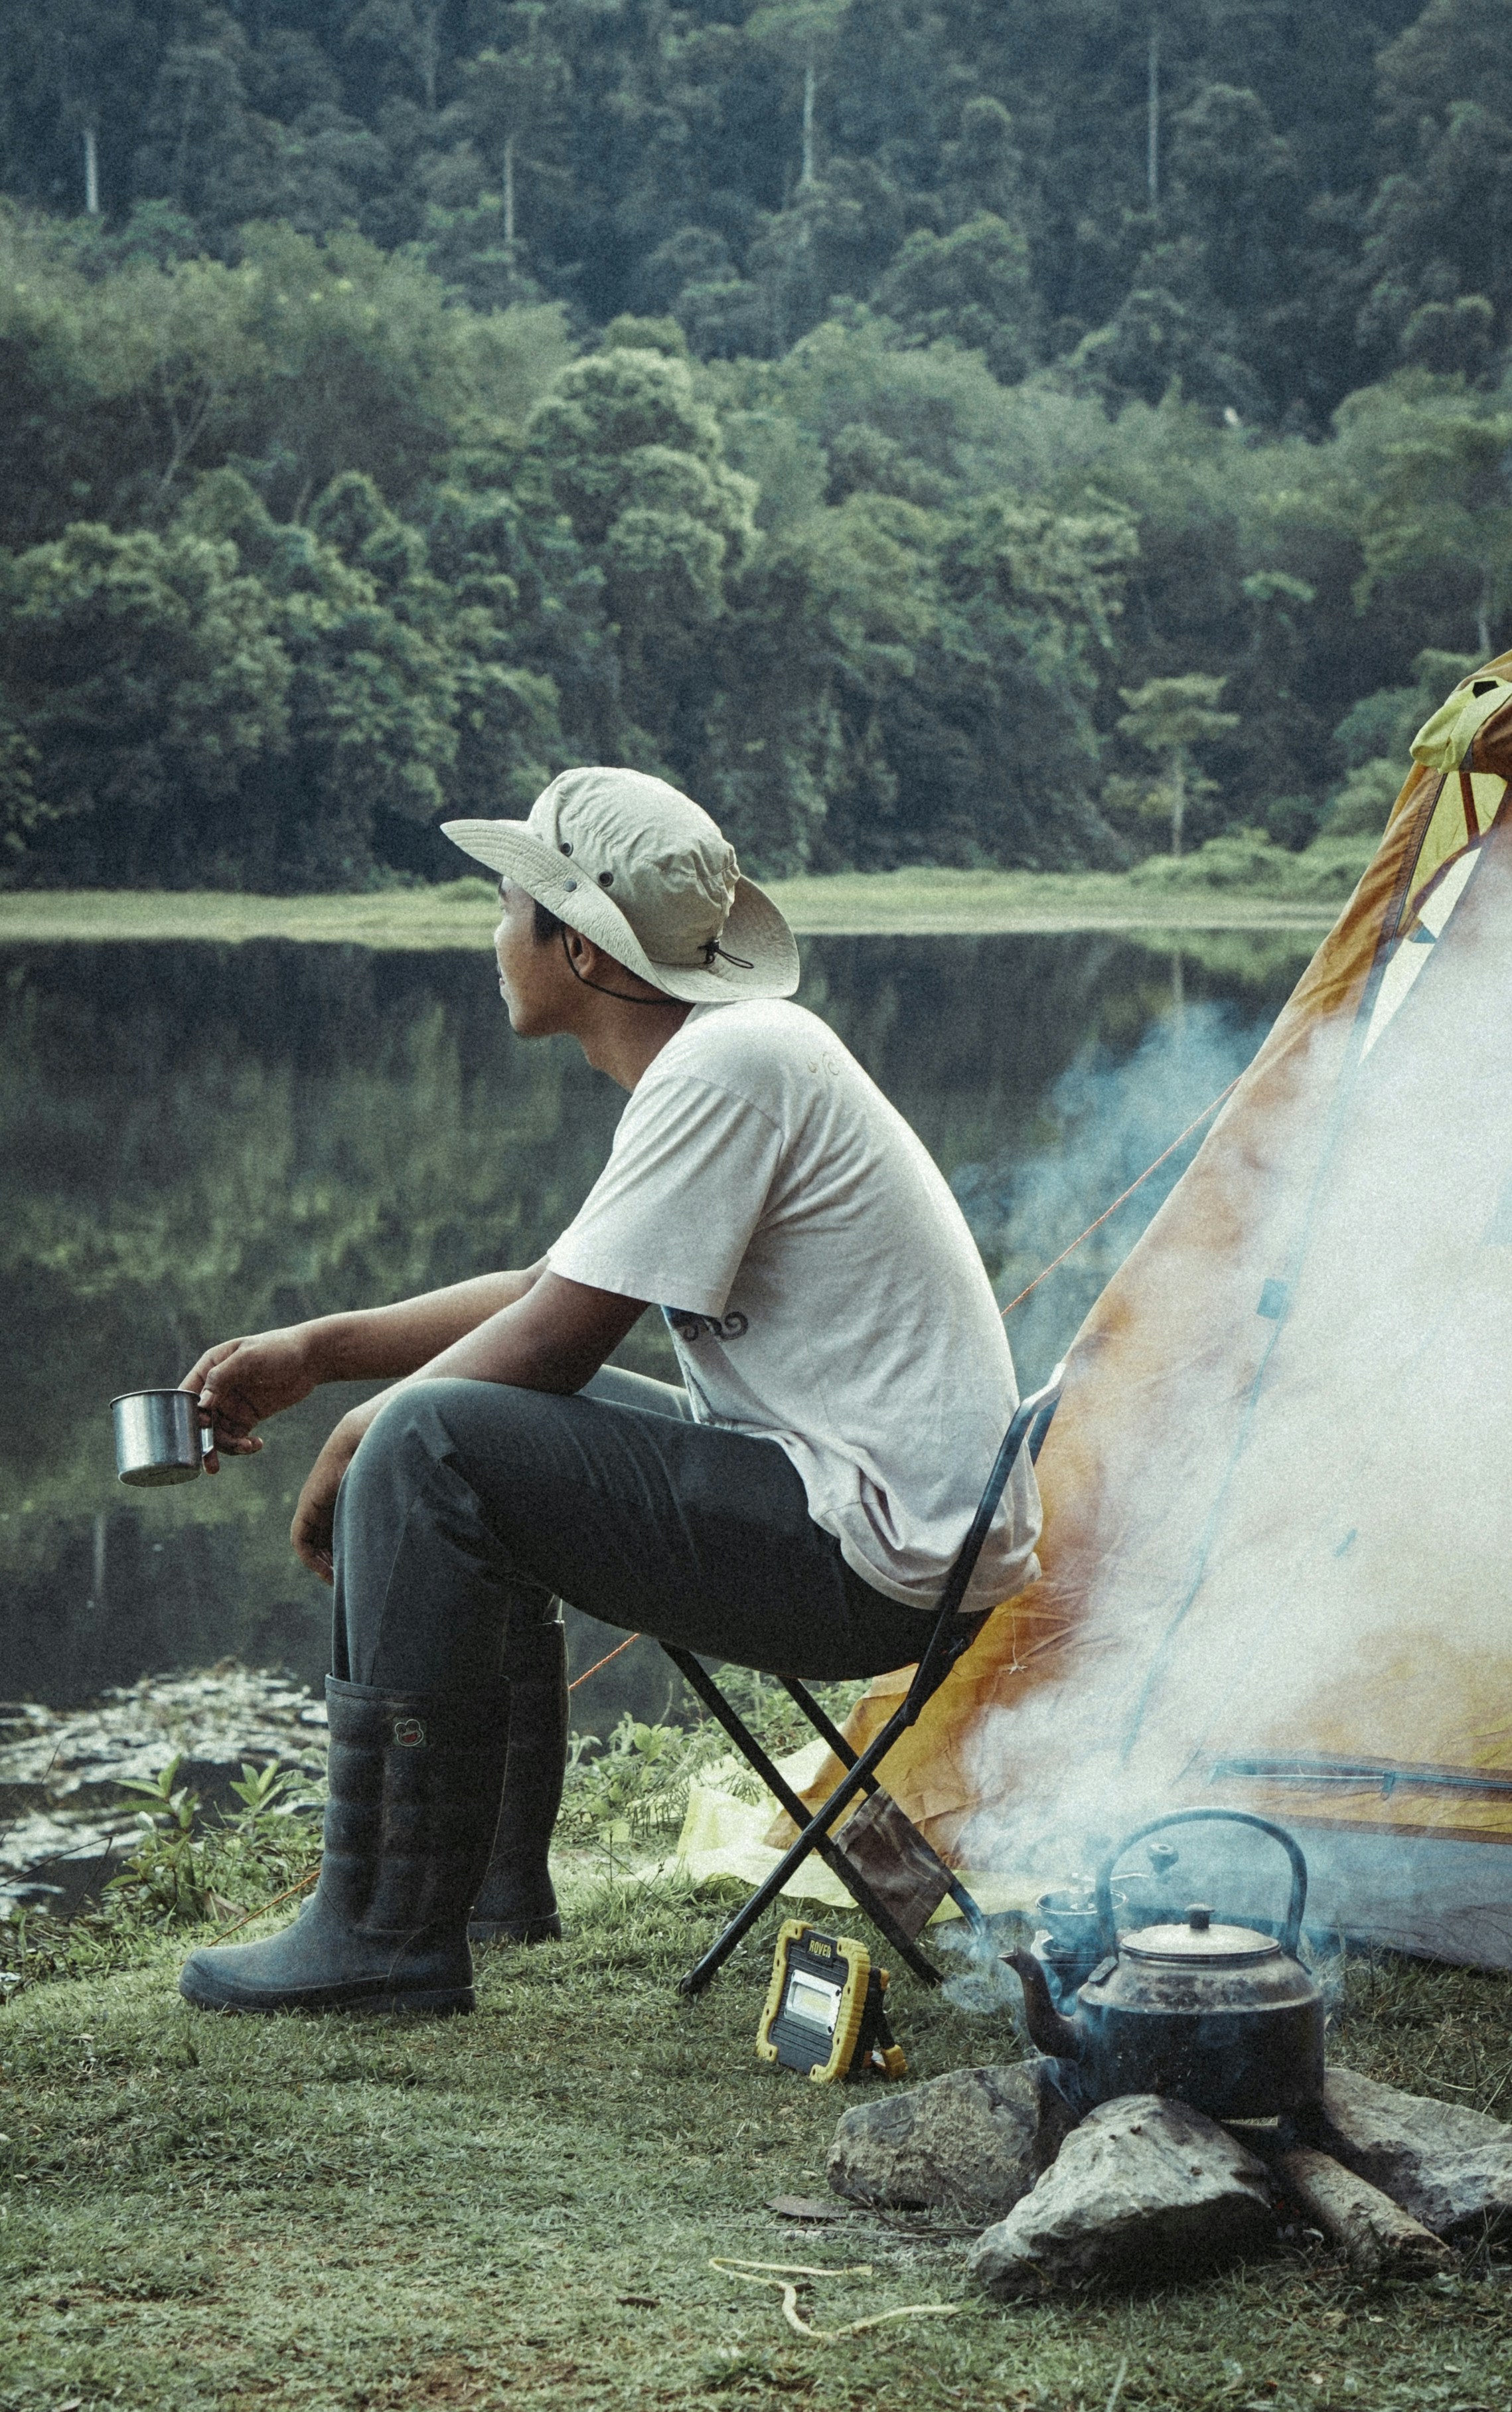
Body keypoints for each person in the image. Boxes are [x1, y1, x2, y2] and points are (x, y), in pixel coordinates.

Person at [175, 767, 1041, 2016]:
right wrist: (316, 1351)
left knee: (433, 1441)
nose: (493, 935)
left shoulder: (727, 1068)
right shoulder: (731, 1055)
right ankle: (488, 1890)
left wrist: (361, 1432)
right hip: (883, 1527)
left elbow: (553, 1345)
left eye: (506, 908)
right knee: (466, 1433)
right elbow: (554, 1285)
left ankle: (382, 1932)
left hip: (869, 1560)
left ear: (577, 947)